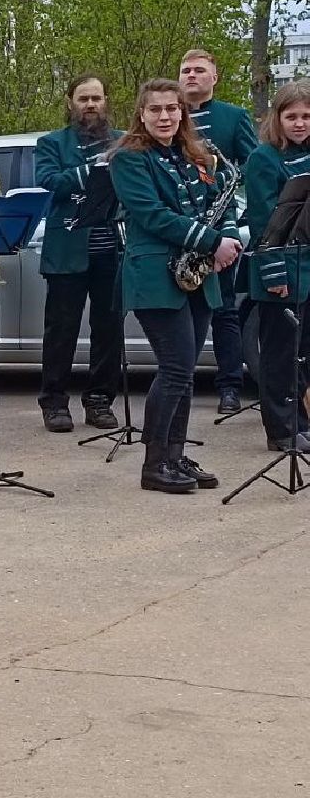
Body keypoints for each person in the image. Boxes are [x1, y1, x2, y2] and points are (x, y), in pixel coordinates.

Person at [110, 79, 240, 494]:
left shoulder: (194, 154)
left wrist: (231, 236)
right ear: (141, 114)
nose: (165, 117)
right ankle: (154, 464)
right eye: (156, 110)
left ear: (182, 112)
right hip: (155, 274)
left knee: (182, 372)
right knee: (177, 367)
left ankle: (175, 455)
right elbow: (152, 216)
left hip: (198, 273)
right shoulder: (129, 158)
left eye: (172, 109)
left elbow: (221, 203)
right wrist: (212, 242)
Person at [34, 74, 126, 433]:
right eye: (84, 98)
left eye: (97, 98)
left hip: (111, 249)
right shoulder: (51, 143)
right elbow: (50, 182)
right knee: (61, 330)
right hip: (67, 249)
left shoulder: (123, 141)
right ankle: (54, 402)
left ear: (106, 102)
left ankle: (100, 400)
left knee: (108, 329)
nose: (91, 105)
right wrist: (93, 167)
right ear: (70, 102)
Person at [179, 48, 259, 415]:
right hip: (180, 228)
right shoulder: (170, 116)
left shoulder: (233, 117)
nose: (191, 75)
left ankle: (229, 386)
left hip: (222, 226)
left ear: (215, 77)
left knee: (224, 310)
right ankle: (180, 384)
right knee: (182, 310)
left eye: (199, 70)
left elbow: (253, 165)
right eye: (186, 70)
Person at [243, 80, 310, 453]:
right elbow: (263, 224)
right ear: (278, 119)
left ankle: (303, 422)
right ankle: (281, 430)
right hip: (282, 271)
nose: (299, 124)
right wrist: (274, 275)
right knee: (280, 355)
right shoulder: (264, 158)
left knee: (307, 355)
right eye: (291, 116)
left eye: (306, 116)